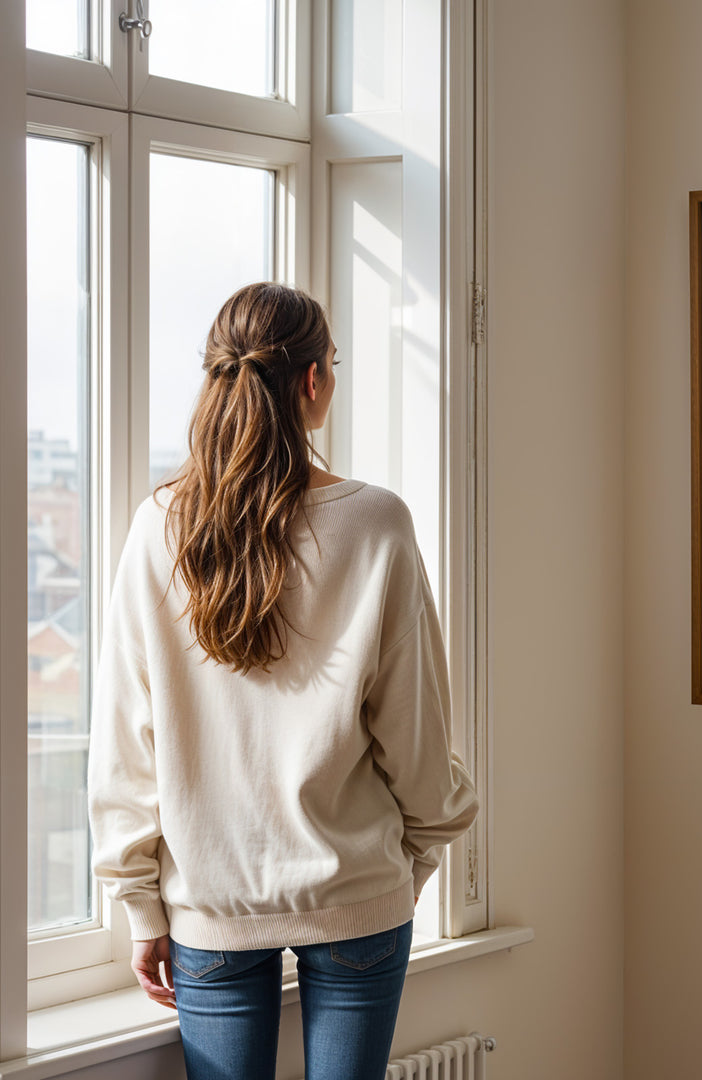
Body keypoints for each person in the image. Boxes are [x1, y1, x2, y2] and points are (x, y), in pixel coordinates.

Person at [88, 282, 479, 1080]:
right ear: (311, 381)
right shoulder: (375, 523)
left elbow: (126, 732)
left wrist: (140, 905)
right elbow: (415, 724)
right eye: (331, 364)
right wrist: (422, 852)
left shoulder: (158, 525)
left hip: (209, 904)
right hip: (359, 891)